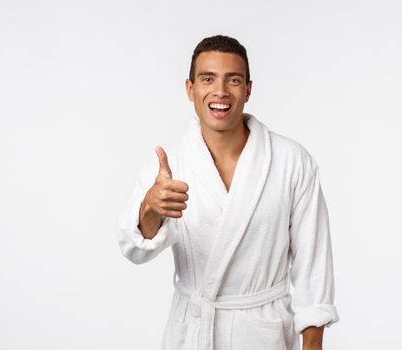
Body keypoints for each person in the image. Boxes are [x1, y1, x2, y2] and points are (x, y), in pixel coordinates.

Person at [117, 34, 339, 350]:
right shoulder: (170, 165)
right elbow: (133, 249)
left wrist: (313, 345)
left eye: (232, 80)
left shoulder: (292, 161)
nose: (220, 91)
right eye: (208, 79)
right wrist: (150, 208)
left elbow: (314, 261)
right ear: (190, 89)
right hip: (192, 333)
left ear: (248, 89)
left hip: (264, 334)